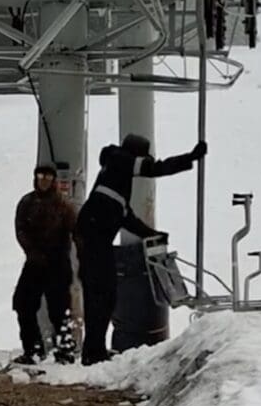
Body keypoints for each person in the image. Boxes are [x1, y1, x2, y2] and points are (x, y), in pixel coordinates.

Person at [76, 134, 207, 366]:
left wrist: (151, 234)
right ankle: (92, 353)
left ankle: (94, 350)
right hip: (94, 242)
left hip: (94, 241)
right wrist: (191, 157)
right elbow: (155, 169)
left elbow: (126, 217)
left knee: (104, 297)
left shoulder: (115, 178)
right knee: (101, 296)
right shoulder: (121, 159)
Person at [12, 163, 78, 365]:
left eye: (49, 177)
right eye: (41, 175)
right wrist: (33, 252)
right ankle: (33, 349)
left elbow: (77, 233)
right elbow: (20, 229)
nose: (44, 180)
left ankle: (64, 350)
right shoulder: (27, 202)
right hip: (35, 263)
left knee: (59, 309)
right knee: (23, 304)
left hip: (57, 264)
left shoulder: (63, 206)